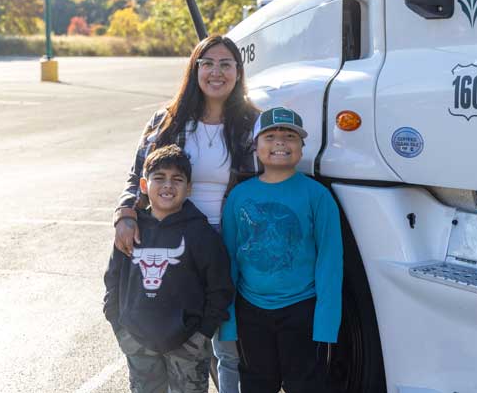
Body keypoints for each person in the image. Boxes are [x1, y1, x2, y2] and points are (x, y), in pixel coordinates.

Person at [112, 35, 259, 393]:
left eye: (226, 64)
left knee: (228, 342)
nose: (216, 72)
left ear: (239, 72)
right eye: (207, 63)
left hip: (230, 242)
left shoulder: (252, 123)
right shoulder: (168, 121)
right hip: (176, 238)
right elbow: (138, 175)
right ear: (194, 70)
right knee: (178, 338)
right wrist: (125, 213)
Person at [219, 107, 343, 393]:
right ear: (256, 145)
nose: (279, 143)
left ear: (301, 147)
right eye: (270, 136)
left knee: (306, 386)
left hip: (302, 311)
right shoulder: (240, 196)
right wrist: (229, 322)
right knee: (257, 385)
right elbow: (229, 261)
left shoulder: (317, 196)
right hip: (251, 312)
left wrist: (326, 323)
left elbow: (330, 263)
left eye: (289, 136)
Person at [104, 144, 234, 393]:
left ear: (189, 188)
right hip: (138, 341)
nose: (167, 185)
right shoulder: (131, 230)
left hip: (188, 344)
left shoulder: (201, 234)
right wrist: (120, 327)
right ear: (144, 185)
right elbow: (112, 279)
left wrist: (202, 335)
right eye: (159, 178)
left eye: (177, 179)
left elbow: (220, 288)